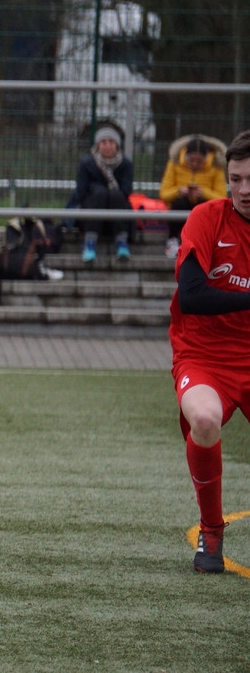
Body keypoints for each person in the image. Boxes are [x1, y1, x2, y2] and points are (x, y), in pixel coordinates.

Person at [169, 129, 250, 574]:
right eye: (236, 179)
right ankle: (212, 530)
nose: (244, 189)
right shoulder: (205, 217)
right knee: (203, 418)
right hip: (203, 353)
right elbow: (192, 295)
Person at [67, 125, 135, 263]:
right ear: (98, 145)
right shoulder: (86, 163)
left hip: (116, 210)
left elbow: (126, 191)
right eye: (104, 142)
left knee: (116, 195)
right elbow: (81, 191)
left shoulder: (126, 164)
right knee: (99, 193)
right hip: (91, 211)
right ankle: (90, 243)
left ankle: (121, 243)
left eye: (111, 142)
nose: (107, 146)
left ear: (117, 145)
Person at [158, 134, 227, 259]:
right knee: (180, 203)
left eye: (199, 161)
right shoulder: (174, 163)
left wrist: (203, 193)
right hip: (181, 205)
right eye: (191, 160)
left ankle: (204, 244)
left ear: (206, 158)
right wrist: (179, 191)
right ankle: (173, 240)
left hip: (203, 207)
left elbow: (222, 197)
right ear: (186, 156)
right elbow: (164, 193)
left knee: (204, 207)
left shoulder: (216, 167)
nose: (195, 164)